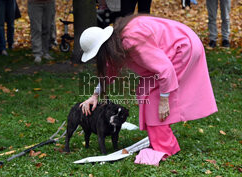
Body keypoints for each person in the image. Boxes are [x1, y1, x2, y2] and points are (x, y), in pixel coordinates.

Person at [78, 14, 218, 165]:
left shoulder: (132, 42)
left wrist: (164, 99)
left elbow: (165, 69)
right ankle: (160, 138)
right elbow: (110, 71)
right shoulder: (117, 42)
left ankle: (165, 147)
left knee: (153, 97)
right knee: (146, 91)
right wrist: (95, 95)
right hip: (181, 44)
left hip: (183, 48)